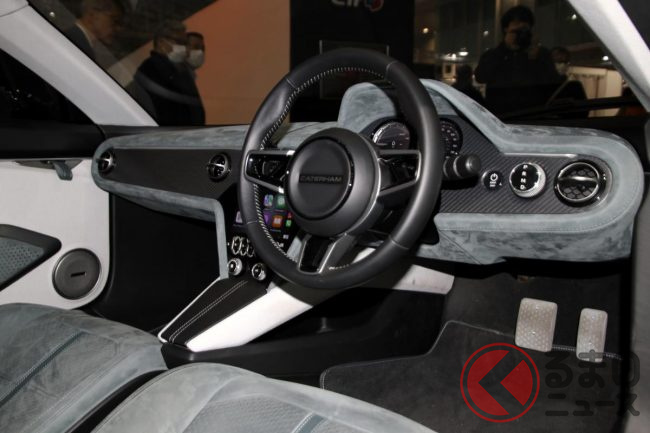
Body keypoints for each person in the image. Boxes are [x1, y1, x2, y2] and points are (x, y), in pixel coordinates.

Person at [474, 5, 559, 115]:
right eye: (516, 25)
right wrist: (504, 48)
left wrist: (535, 59)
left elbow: (552, 84)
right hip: (499, 117)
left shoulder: (541, 53)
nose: (521, 31)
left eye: (525, 26)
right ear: (506, 29)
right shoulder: (493, 54)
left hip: (533, 116)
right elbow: (480, 77)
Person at [135, 21, 205, 126]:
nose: (184, 48)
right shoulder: (151, 69)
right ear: (161, 42)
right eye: (179, 42)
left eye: (185, 43)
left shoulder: (178, 69)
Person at [547, 46, 588, 117]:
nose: (562, 65)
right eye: (558, 62)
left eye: (565, 62)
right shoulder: (540, 84)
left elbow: (584, 111)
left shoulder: (574, 87)